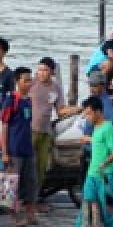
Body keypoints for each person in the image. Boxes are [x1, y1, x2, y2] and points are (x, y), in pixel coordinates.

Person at [70, 96, 113, 227]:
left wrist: (104, 164)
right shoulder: (96, 128)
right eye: (86, 114)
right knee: (85, 208)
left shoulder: (109, 128)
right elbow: (99, 141)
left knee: (108, 210)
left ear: (98, 112)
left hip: (106, 176)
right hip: (92, 175)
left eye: (89, 113)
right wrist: (89, 139)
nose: (87, 117)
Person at [30, 57, 78, 208]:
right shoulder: (31, 83)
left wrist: (78, 109)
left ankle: (35, 197)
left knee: (42, 167)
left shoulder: (55, 88)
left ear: (52, 72)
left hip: (45, 132)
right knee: (27, 165)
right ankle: (24, 199)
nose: (41, 73)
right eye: (39, 70)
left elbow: (61, 111)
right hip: (29, 130)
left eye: (45, 70)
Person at [0, 67, 39, 226]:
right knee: (11, 184)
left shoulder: (28, 100)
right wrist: (4, 151)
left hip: (27, 148)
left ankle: (30, 214)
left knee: (30, 182)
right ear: (17, 82)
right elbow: (4, 125)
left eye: (30, 80)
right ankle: (13, 215)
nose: (29, 83)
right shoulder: (11, 100)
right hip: (14, 149)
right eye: (26, 80)